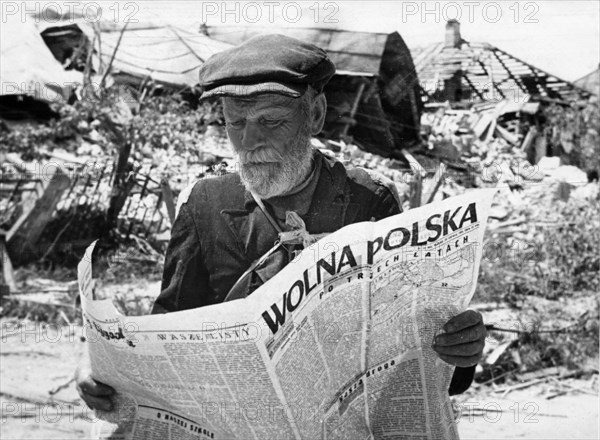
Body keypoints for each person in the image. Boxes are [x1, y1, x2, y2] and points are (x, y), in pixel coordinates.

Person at [76, 34, 486, 413]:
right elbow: (167, 331)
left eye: (270, 122)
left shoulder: (368, 200)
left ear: (316, 115)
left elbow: (412, 349)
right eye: (235, 124)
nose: (248, 142)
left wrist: (459, 351)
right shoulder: (206, 204)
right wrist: (106, 374)